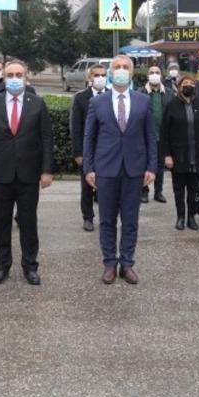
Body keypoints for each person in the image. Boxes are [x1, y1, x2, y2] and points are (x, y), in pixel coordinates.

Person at [0, 60, 53, 285]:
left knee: (29, 223)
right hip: (0, 176)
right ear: (4, 77)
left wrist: (47, 170)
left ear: (26, 77)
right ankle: (2, 266)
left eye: (18, 74)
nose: (14, 78)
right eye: (10, 74)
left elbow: (46, 139)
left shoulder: (37, 103)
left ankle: (30, 266)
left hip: (29, 175)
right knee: (1, 223)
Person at [83, 55, 157, 285]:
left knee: (130, 220)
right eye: (117, 67)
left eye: (126, 67)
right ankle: (109, 264)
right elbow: (89, 137)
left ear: (132, 73)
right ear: (111, 72)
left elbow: (150, 137)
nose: (122, 70)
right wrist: (89, 168)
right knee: (106, 220)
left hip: (134, 170)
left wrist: (151, 167)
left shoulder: (143, 101)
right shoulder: (97, 102)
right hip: (106, 170)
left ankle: (127, 264)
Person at [159, 74, 199, 231]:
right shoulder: (172, 105)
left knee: (194, 189)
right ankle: (180, 217)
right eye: (185, 83)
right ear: (180, 86)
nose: (188, 85)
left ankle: (191, 217)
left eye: (191, 83)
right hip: (178, 155)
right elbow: (165, 133)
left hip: (197, 154)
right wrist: (167, 155)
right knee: (178, 189)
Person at [70, 63, 106, 232]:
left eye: (103, 75)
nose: (100, 78)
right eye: (96, 75)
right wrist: (78, 153)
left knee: (107, 185)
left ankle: (107, 217)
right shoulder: (80, 98)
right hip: (88, 150)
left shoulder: (112, 95)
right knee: (87, 186)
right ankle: (88, 217)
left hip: (107, 150)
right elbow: (76, 127)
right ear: (89, 77)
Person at [141, 64, 171, 204]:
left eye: (157, 72)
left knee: (159, 166)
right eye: (151, 72)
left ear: (161, 75)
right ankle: (144, 191)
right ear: (147, 76)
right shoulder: (140, 92)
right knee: (144, 164)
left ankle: (158, 192)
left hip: (162, 136)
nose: (154, 74)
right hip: (144, 137)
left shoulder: (169, 93)